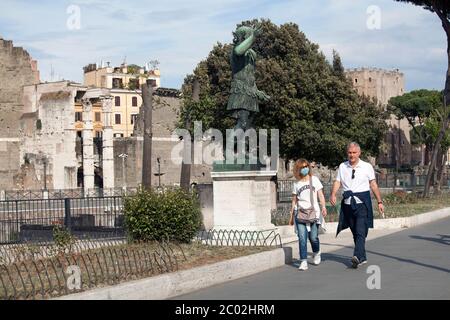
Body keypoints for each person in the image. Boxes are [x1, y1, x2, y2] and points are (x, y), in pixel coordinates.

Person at [330, 142, 385, 269]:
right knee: (355, 231)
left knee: (361, 230)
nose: (352, 155)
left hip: (362, 203)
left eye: (354, 153)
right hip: (348, 204)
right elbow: (338, 182)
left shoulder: (366, 167)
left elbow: (373, 185)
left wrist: (379, 202)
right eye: (350, 152)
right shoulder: (342, 166)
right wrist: (333, 194)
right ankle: (362, 256)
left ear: (359, 153)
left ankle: (356, 256)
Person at [227, 23, 270, 131]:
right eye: (249, 36)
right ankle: (229, 148)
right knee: (242, 124)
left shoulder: (250, 54)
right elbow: (239, 50)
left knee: (247, 126)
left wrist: (257, 91)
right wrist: (254, 36)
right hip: (241, 91)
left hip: (250, 92)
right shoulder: (236, 51)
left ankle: (242, 147)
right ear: (243, 37)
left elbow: (250, 76)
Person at [289, 159, 327, 271]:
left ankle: (316, 252)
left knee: (313, 237)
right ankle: (303, 261)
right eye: (302, 167)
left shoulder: (314, 180)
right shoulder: (296, 184)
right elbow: (294, 200)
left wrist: (323, 206)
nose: (305, 168)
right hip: (300, 213)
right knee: (302, 238)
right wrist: (291, 215)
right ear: (298, 169)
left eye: (306, 166)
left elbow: (320, 195)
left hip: (314, 213)